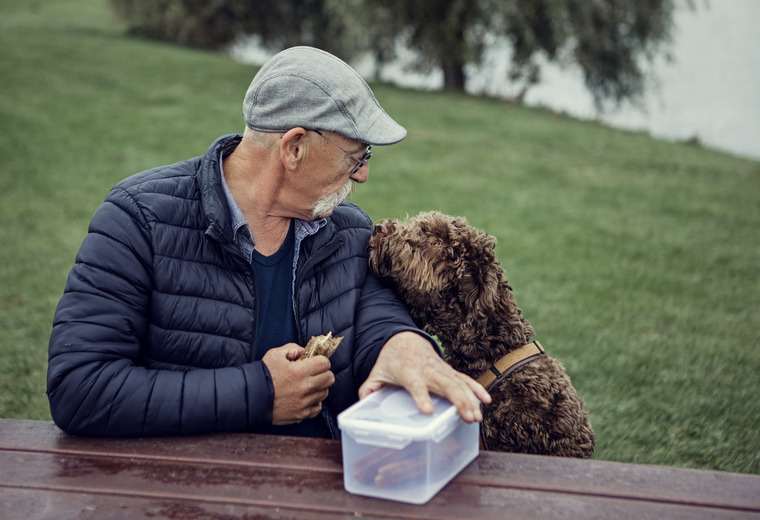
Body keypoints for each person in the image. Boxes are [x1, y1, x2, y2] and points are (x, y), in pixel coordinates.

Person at [46, 46, 490, 437]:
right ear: (293, 148)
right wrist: (259, 393)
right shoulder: (137, 220)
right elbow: (79, 388)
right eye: (357, 156)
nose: (364, 174)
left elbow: (372, 312)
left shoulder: (347, 228)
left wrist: (404, 345)